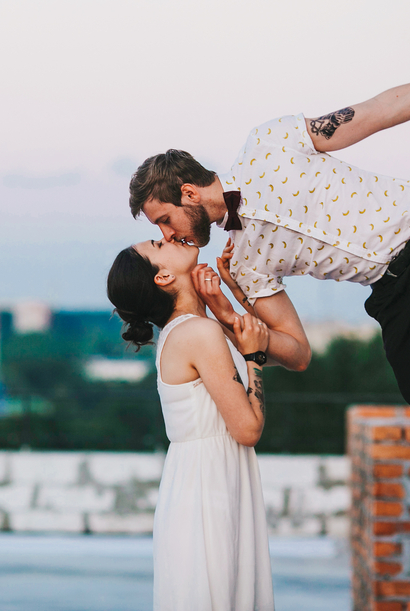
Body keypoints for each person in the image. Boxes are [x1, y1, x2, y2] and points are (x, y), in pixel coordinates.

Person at [127, 41, 410, 611]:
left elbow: (376, 113)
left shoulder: (270, 142)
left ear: (186, 193)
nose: (175, 237)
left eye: (165, 223)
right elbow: (296, 351)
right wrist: (234, 317)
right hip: (391, 290)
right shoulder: (244, 263)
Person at [107, 238, 276, 611]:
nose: (168, 237)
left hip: (204, 478)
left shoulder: (192, 328)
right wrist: (255, 358)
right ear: (164, 276)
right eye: (157, 243)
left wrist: (223, 306)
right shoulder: (197, 333)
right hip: (208, 488)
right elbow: (248, 429)